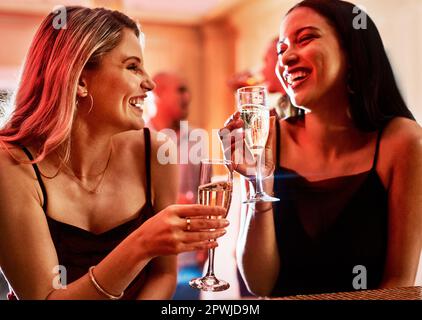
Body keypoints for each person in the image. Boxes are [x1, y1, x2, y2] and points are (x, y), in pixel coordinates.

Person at [0, 6, 229, 300]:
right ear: (80, 80)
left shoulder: (155, 151)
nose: (149, 82)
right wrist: (141, 243)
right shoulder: (12, 164)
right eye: (133, 67)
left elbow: (164, 275)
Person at [221, 0, 422, 297]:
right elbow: (259, 283)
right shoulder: (269, 138)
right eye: (282, 49)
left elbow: (398, 284)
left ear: (353, 51)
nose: (286, 58)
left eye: (305, 39)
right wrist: (256, 182)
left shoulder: (403, 142)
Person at [147, 72, 204, 299]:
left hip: (190, 254)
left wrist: (205, 244)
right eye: (180, 89)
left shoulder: (197, 139)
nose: (188, 96)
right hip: (150, 256)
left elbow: (203, 190)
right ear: (158, 92)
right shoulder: (136, 137)